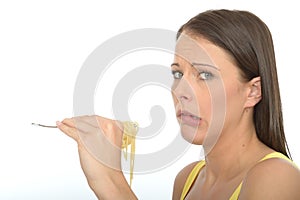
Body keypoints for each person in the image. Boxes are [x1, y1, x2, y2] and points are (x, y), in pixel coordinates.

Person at [56, 9, 300, 199]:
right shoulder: (187, 181)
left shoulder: (276, 177)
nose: (181, 91)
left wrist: (110, 181)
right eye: (177, 74)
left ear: (252, 92)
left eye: (205, 75)